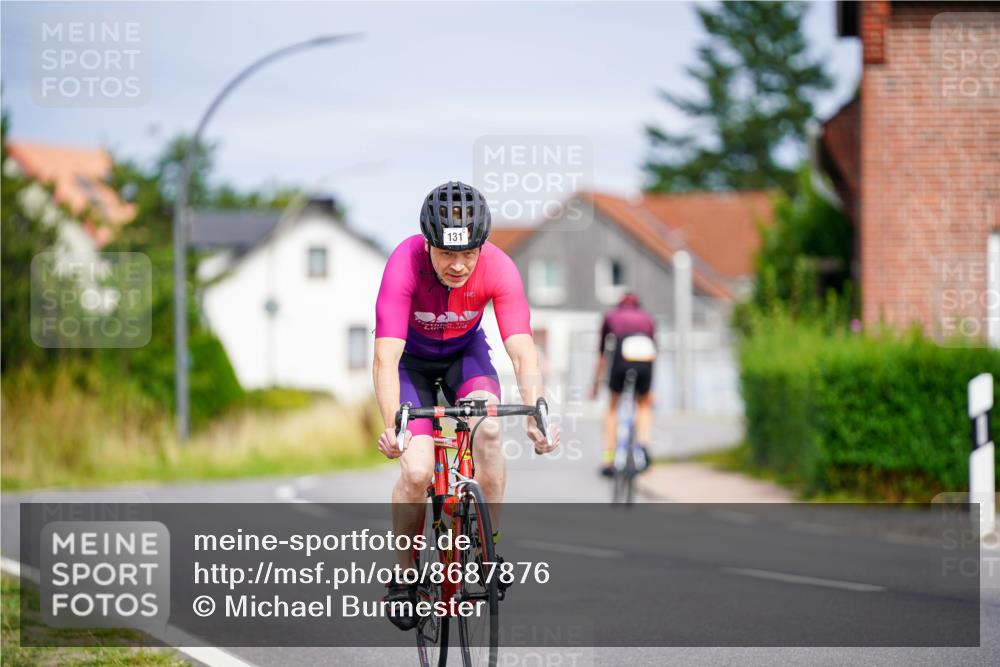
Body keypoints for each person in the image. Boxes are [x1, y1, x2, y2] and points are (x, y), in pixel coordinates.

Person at [373, 180, 560, 629]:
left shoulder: (499, 267)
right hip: (410, 369)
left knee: (490, 431)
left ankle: (487, 550)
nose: (458, 266)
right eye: (446, 254)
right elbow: (385, 357)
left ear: (482, 245)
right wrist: (394, 428)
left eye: (468, 254)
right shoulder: (404, 263)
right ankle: (403, 575)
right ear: (428, 244)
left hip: (464, 358)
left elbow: (521, 351)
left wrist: (537, 410)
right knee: (417, 472)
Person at [590, 292, 656, 477]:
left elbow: (602, 355)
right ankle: (643, 444)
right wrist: (652, 390)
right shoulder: (648, 319)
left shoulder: (611, 317)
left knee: (611, 408)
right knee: (643, 404)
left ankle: (609, 458)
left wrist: (595, 385)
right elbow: (654, 351)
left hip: (621, 361)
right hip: (645, 363)